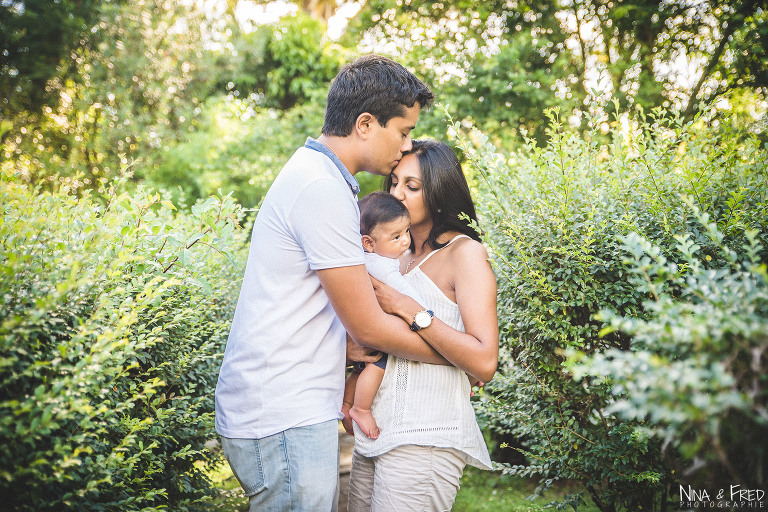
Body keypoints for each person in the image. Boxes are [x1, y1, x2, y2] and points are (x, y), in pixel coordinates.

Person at [213, 54, 443, 512]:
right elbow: (369, 327)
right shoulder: (320, 187)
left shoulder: (321, 179)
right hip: (283, 415)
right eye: (402, 131)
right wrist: (454, 355)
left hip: (286, 411)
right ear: (364, 124)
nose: (406, 144)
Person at [347, 139, 499, 512]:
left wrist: (410, 309)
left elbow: (484, 361)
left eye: (412, 187)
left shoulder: (465, 254)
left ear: (440, 193)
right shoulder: (388, 258)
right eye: (394, 182)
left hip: (426, 438)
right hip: (375, 433)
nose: (397, 194)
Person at [342, 191, 426, 440]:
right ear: (368, 243)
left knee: (361, 369)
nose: (405, 241)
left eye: (407, 232)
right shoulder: (381, 266)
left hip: (358, 324)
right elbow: (407, 297)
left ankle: (346, 405)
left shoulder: (366, 260)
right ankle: (361, 408)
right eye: (396, 236)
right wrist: (426, 310)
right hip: (375, 327)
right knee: (379, 363)